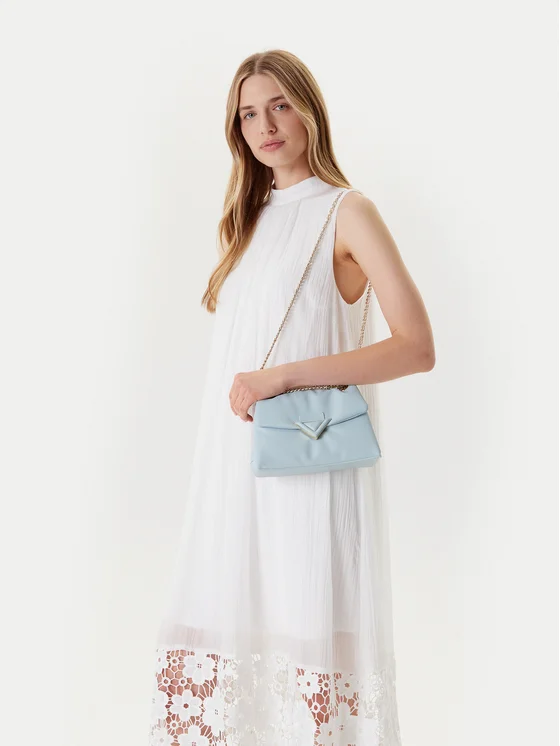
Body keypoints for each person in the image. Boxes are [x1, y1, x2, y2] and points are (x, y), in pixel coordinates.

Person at [147, 49, 435, 746]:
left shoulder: (346, 211)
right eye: (249, 114)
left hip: (308, 473)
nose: (266, 126)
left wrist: (280, 377)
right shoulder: (247, 221)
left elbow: (416, 346)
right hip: (231, 475)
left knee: (308, 651)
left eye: (279, 105)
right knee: (222, 648)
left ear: (308, 110)